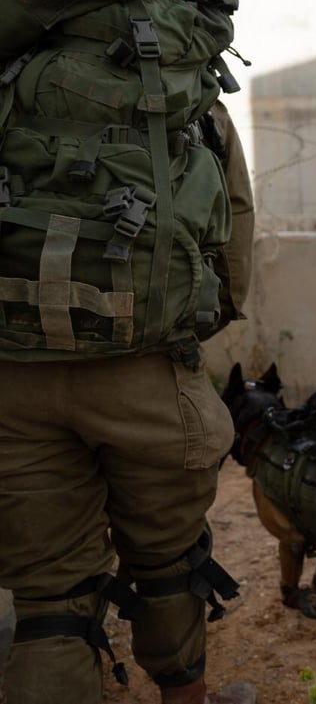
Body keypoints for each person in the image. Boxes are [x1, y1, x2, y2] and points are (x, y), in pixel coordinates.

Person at [0, 97, 255, 704]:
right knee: (171, 561)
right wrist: (171, 336)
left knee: (50, 593)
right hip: (151, 374)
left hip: (14, 383)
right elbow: (234, 253)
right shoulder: (190, 100)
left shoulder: (9, 88)